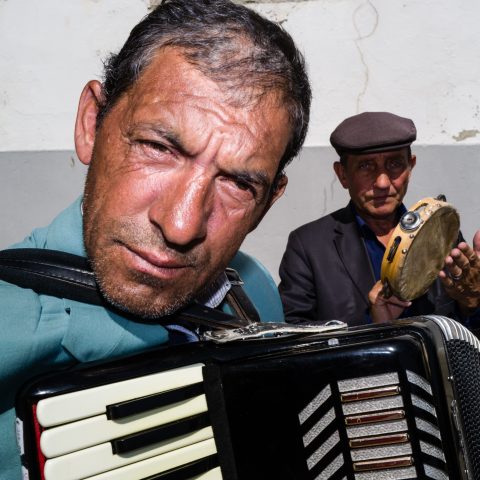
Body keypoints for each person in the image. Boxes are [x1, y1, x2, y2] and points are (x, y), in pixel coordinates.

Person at [0, 1, 311, 477]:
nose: (182, 226)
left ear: (268, 203)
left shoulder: (255, 293)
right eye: (158, 147)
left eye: (238, 184)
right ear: (92, 124)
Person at [279, 111, 480, 326]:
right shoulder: (309, 246)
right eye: (366, 166)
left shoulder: (441, 231)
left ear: (410, 167)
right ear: (342, 174)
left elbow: (463, 326)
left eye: (395, 164)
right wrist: (374, 325)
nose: (383, 183)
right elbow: (295, 341)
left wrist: (472, 301)